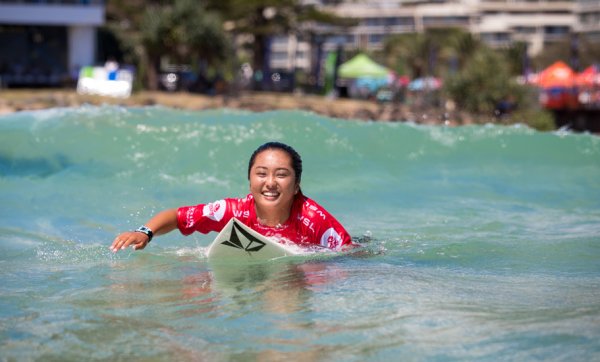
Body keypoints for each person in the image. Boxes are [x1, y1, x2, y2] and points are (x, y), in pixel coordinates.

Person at [110, 142, 355, 253]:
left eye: (281, 175)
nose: (270, 183)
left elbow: (349, 255)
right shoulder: (234, 211)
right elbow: (178, 216)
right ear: (250, 181)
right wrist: (145, 232)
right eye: (261, 174)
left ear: (296, 185)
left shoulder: (313, 219)